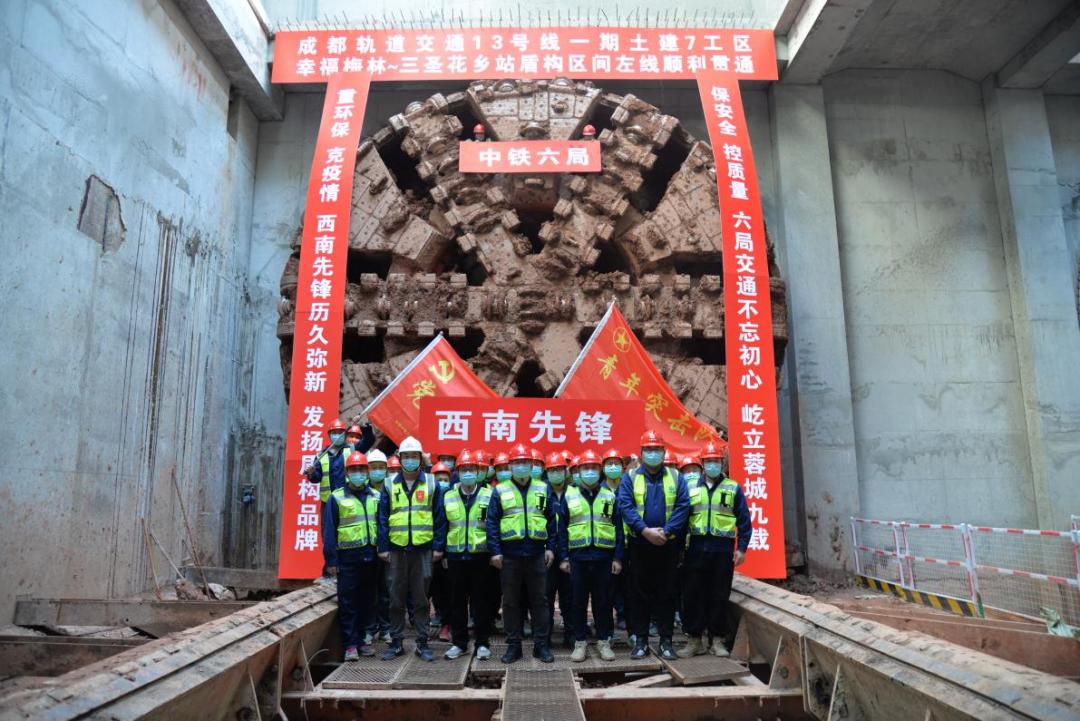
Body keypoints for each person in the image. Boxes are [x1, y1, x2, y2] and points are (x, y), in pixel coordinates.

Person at [617, 430, 690, 660]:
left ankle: (666, 642)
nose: (652, 453)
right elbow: (625, 506)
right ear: (641, 452)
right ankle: (641, 642)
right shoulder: (630, 477)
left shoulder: (676, 477)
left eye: (656, 449)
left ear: (664, 451)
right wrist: (645, 531)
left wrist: (666, 532)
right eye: (648, 450)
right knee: (638, 595)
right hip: (640, 545)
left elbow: (683, 506)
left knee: (667, 594)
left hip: (667, 546)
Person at [486, 442, 558, 664]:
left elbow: (551, 521)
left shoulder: (543, 488)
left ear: (532, 465)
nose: (521, 466)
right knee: (510, 602)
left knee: (540, 601)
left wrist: (551, 548)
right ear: (510, 466)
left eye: (525, 462)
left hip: (536, 554)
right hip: (510, 556)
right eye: (517, 462)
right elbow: (492, 522)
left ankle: (541, 646)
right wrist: (495, 551)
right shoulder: (500, 490)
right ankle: (514, 646)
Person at [679, 443, 751, 658]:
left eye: (716, 461)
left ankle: (717, 639)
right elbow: (681, 520)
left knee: (719, 594)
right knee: (693, 594)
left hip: (722, 549)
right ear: (702, 464)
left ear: (722, 463)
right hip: (696, 548)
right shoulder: (690, 488)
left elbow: (744, 520)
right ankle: (694, 640)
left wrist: (742, 548)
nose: (712, 465)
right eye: (709, 461)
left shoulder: (733, 488)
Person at [377, 436, 446, 662]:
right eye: (405, 456)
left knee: (421, 599)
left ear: (420, 458)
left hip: (423, 549)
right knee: (396, 598)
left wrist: (438, 547)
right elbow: (382, 518)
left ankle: (422, 642)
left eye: (413, 456)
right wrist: (383, 547)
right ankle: (396, 642)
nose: (409, 460)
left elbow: (439, 517)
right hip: (396, 550)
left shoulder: (431, 483)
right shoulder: (389, 484)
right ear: (399, 459)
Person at [558, 450, 623, 662]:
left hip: (604, 558)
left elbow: (618, 529)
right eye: (586, 468)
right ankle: (580, 643)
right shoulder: (569, 496)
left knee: (603, 602)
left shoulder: (609, 496)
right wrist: (564, 557)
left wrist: (617, 558)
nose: (590, 472)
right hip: (578, 558)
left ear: (600, 470)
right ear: (578, 471)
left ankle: (604, 641)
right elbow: (561, 529)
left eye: (594, 468)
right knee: (577, 602)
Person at [324, 452, 380, 660]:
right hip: (347, 559)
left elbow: (382, 526)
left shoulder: (376, 496)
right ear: (347, 473)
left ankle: (363, 640)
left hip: (371, 557)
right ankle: (350, 645)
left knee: (367, 601)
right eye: (354, 469)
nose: (358, 473)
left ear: (367, 472)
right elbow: (329, 530)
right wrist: (331, 560)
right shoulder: (336, 497)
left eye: (361, 469)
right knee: (348, 602)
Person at [441, 450, 495, 660]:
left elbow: (494, 527)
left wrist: (494, 553)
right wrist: (443, 554)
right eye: (464, 470)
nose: (468, 473)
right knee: (457, 603)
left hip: (480, 556)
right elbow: (443, 526)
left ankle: (482, 643)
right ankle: (459, 643)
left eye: (471, 469)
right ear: (458, 472)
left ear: (478, 471)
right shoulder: (448, 496)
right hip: (455, 557)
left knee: (481, 603)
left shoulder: (489, 495)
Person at [544, 452, 573, 649]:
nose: (556, 473)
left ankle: (571, 636)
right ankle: (545, 639)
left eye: (559, 469)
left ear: (565, 471)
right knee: (545, 598)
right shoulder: (541, 493)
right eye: (552, 470)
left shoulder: (574, 493)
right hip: (547, 554)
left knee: (570, 598)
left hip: (570, 553)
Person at [364, 449, 392, 645]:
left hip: (388, 549)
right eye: (373, 467)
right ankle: (369, 628)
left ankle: (385, 628)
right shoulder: (362, 492)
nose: (377, 471)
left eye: (381, 467)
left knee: (386, 591)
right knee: (369, 591)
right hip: (368, 548)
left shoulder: (391, 490)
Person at [601, 449, 628, 631]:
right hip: (604, 543)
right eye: (609, 464)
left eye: (616, 464)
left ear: (622, 467)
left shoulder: (628, 488)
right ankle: (605, 622)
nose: (613, 467)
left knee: (625, 584)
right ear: (603, 468)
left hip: (627, 542)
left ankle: (623, 615)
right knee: (605, 585)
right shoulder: (598, 489)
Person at [430, 461, 454, 642]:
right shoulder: (426, 498)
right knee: (431, 589)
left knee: (447, 590)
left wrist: (444, 552)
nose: (442, 483)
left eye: (445, 479)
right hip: (427, 550)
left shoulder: (453, 498)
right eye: (438, 480)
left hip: (447, 553)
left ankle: (447, 624)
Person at [306, 419, 352, 505]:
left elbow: (368, 441)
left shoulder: (352, 450)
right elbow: (316, 478)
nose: (337, 435)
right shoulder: (321, 455)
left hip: (349, 500)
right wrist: (312, 473)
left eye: (340, 433)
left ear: (345, 434)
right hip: (328, 502)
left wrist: (365, 428)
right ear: (329, 435)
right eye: (334, 433)